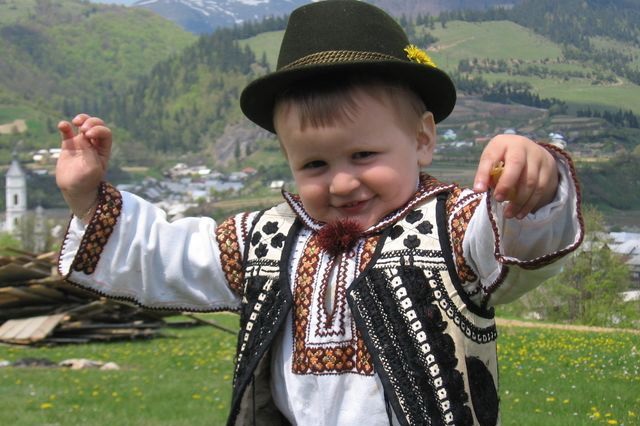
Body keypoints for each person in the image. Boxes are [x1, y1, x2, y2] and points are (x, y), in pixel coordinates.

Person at [56, 1, 583, 425]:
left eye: (364, 155)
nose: (341, 182)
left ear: (422, 140)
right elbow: (169, 255)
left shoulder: (450, 226)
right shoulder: (269, 238)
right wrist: (87, 197)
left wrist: (531, 185)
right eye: (314, 164)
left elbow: (514, 239)